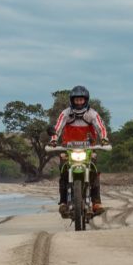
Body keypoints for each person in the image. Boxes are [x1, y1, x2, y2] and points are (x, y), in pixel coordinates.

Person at [50, 85, 110, 217]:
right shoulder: (65, 113)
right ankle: (64, 202)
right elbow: (57, 127)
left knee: (94, 171)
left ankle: (96, 202)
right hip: (68, 148)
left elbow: (101, 127)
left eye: (81, 100)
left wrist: (104, 139)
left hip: (88, 148)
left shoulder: (92, 114)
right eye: (76, 100)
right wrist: (53, 140)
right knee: (64, 172)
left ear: (86, 100)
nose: (79, 102)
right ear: (72, 100)